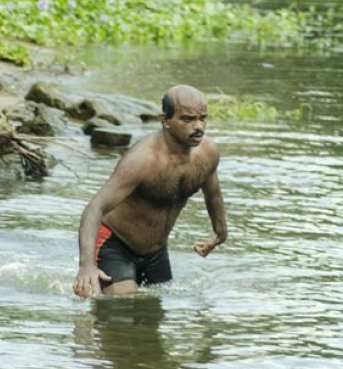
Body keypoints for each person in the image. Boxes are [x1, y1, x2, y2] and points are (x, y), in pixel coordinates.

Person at [73, 84, 227, 299]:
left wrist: (220, 233)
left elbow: (213, 194)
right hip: (116, 243)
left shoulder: (208, 154)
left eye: (203, 118)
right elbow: (94, 208)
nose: (198, 126)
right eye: (188, 119)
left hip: (156, 250)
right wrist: (86, 266)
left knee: (152, 315)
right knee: (123, 306)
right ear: (165, 121)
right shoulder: (143, 159)